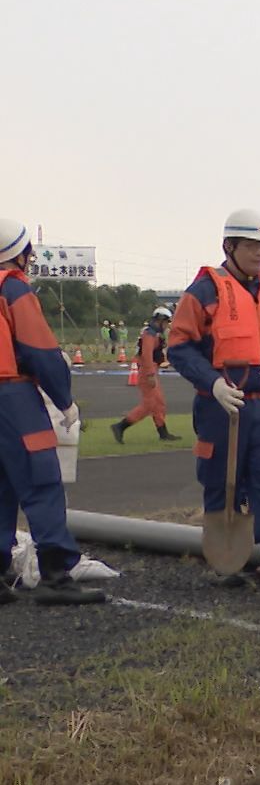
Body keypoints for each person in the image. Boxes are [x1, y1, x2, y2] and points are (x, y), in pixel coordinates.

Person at [169, 210, 260, 592]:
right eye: (252, 245)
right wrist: (212, 383)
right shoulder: (204, 290)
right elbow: (179, 346)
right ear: (229, 246)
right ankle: (223, 561)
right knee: (221, 479)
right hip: (222, 405)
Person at [0, 219, 101, 607]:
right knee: (41, 481)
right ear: (21, 254)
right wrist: (64, 398)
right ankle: (56, 575)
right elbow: (39, 350)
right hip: (14, 398)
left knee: (1, 487)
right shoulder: (14, 289)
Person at [111, 307, 182, 444]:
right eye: (166, 322)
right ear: (160, 320)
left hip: (150, 370)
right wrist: (150, 374)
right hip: (147, 371)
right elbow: (147, 355)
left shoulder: (153, 333)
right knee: (149, 405)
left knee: (158, 403)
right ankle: (121, 426)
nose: (167, 325)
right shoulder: (150, 334)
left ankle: (163, 433)